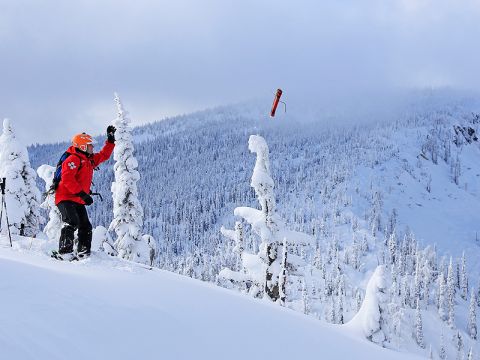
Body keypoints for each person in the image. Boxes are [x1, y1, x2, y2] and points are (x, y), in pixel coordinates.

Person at [54, 126, 116, 258]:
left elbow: (104, 155)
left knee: (85, 226)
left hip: (77, 199)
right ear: (82, 146)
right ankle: (65, 253)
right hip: (65, 197)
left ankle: (83, 253)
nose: (92, 148)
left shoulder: (88, 159)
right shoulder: (73, 159)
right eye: (90, 145)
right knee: (71, 222)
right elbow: (67, 179)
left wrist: (110, 141)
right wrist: (82, 194)